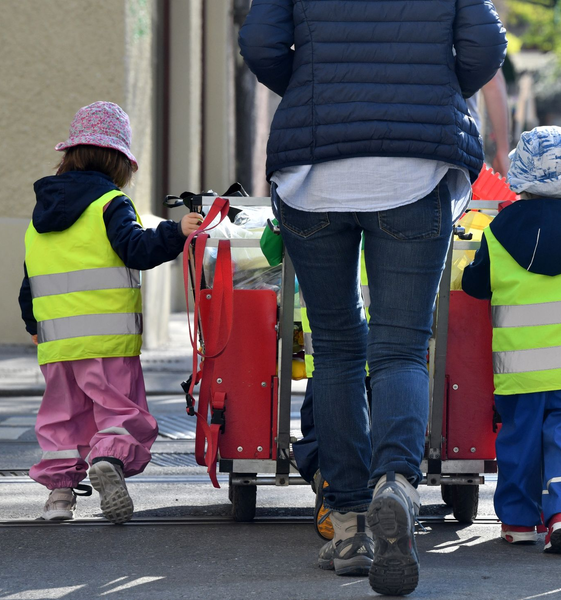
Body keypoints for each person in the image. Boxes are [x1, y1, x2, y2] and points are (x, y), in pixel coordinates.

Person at [239, 0, 506, 594]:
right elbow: (485, 46)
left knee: (335, 349)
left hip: (312, 171)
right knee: (402, 348)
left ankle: (353, 521)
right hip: (417, 168)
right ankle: (398, 487)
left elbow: (259, 43)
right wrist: (435, 89)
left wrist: (310, 89)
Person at [18, 102, 202, 524]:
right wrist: (177, 231)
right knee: (119, 412)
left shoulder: (40, 215)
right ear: (120, 161)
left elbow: (29, 280)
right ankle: (108, 460)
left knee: (62, 420)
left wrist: (34, 326)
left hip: (56, 342)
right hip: (107, 340)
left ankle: (59, 499)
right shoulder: (110, 202)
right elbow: (135, 249)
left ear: (70, 155)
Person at [462, 127, 561, 554]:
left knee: (519, 443)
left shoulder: (498, 230)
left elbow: (476, 286)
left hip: (519, 370)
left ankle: (519, 521)